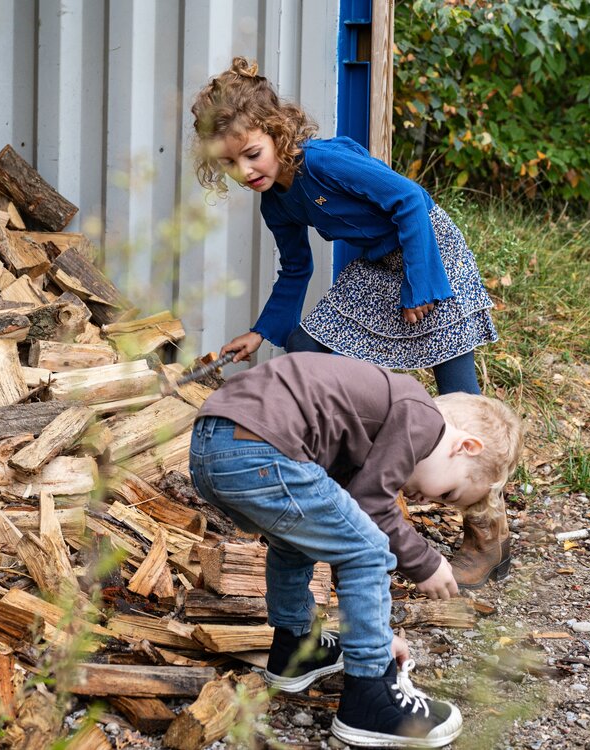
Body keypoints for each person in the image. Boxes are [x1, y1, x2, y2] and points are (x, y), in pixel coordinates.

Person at [191, 57, 507, 589]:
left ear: (277, 132)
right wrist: (262, 332)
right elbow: (297, 268)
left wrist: (422, 284)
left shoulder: (323, 163)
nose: (246, 172)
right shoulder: (277, 202)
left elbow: (410, 199)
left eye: (252, 154)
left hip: (428, 250)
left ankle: (488, 534)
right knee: (306, 342)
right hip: (380, 264)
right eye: (230, 165)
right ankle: (319, 490)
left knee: (461, 393)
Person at [189, 352, 523, 748]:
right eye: (448, 493)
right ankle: (370, 697)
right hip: (260, 447)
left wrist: (377, 634)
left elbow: (347, 516)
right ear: (464, 445)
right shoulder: (422, 417)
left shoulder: (372, 425)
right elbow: (371, 509)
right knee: (369, 551)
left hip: (213, 445)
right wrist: (425, 563)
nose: (425, 499)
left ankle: (295, 647)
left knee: (296, 541)